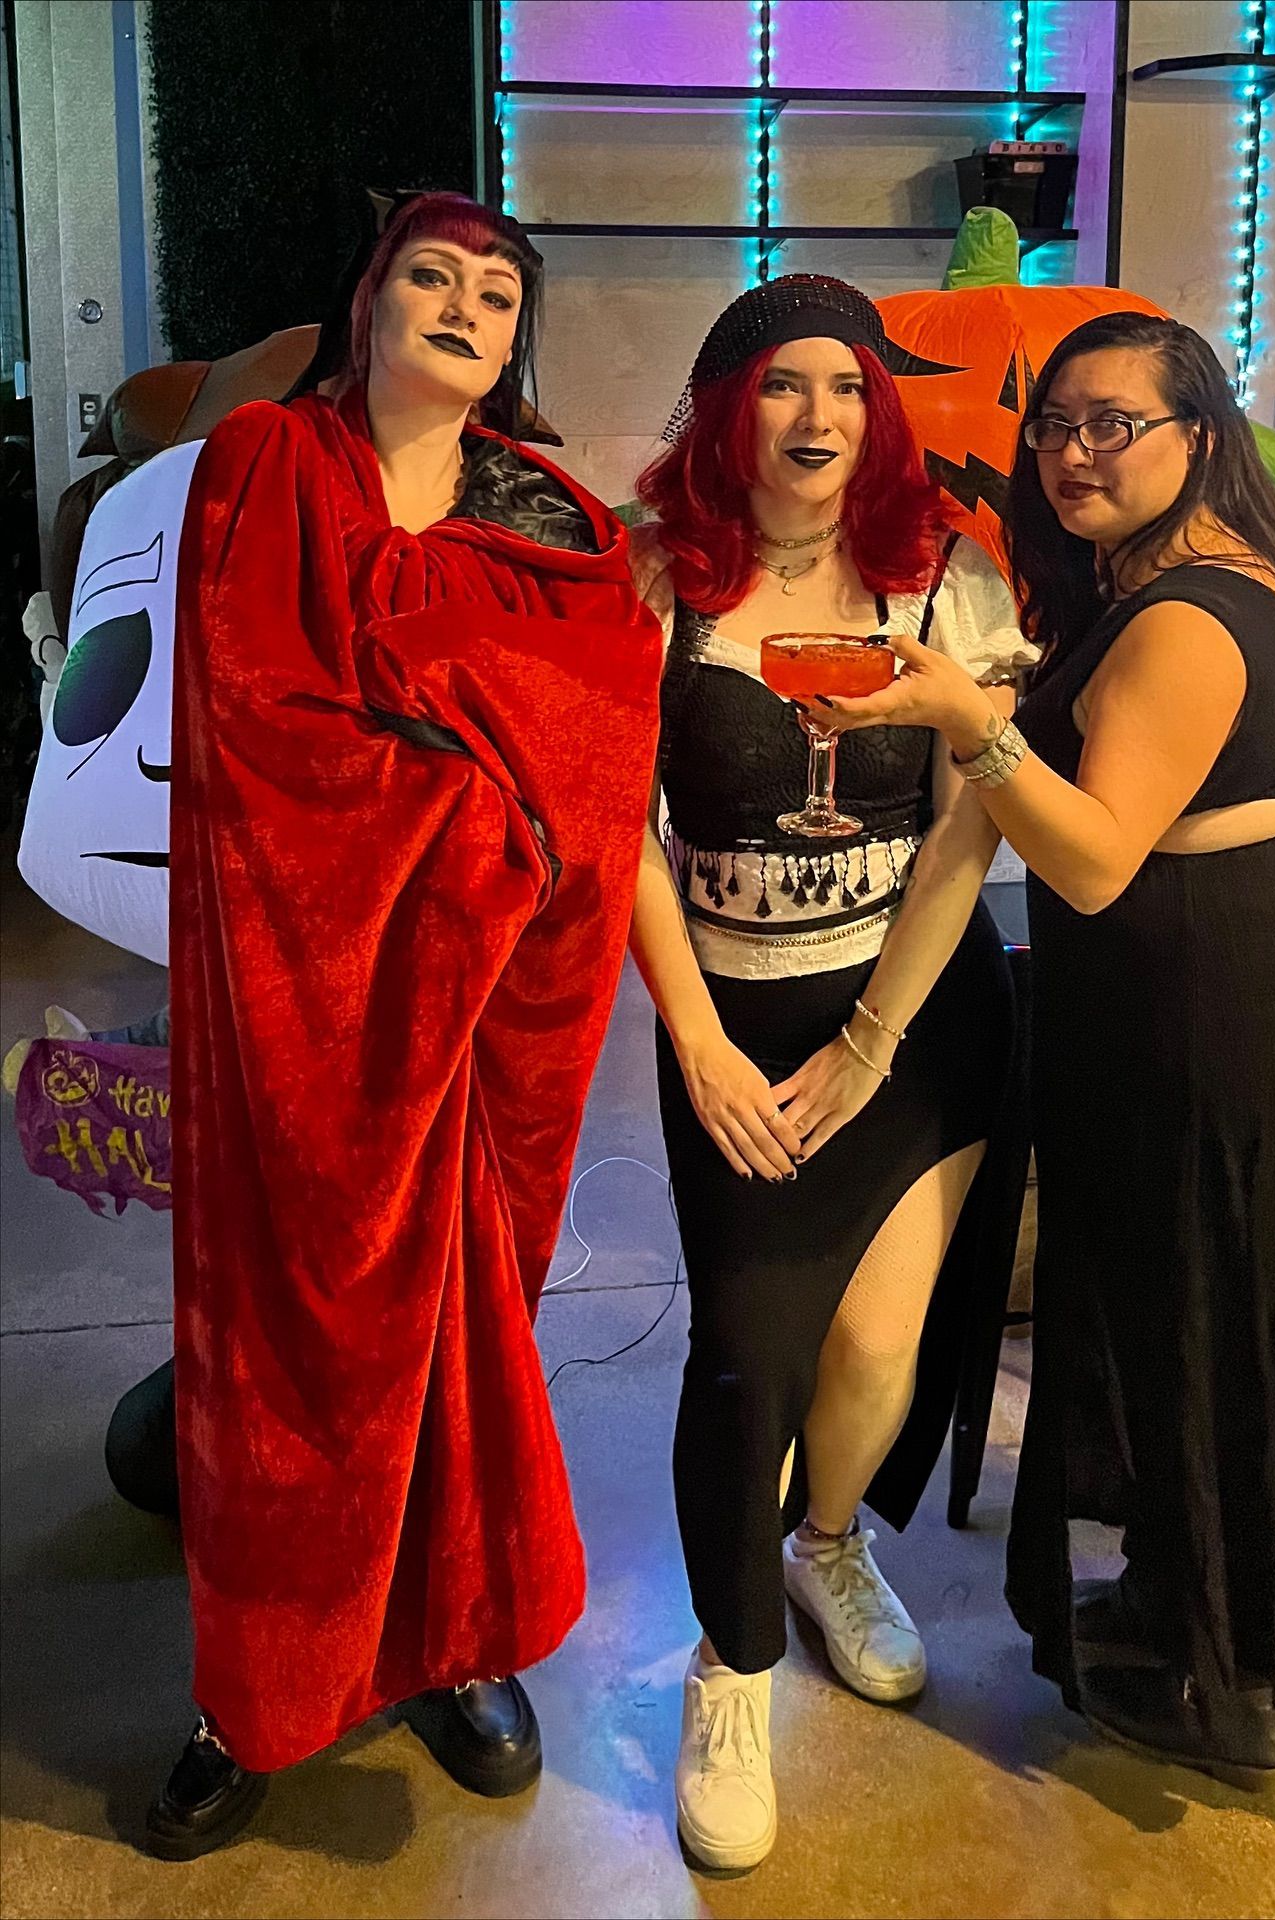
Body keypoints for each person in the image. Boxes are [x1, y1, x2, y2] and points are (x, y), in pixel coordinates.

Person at [823, 310, 1275, 1791]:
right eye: (1056, 425)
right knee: (1231, 1305)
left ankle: (1226, 1678)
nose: (1072, 451)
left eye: (1115, 423)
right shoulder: (1225, 570)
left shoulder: (1180, 616)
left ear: (1199, 433)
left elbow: (1092, 861)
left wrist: (974, 721)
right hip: (1269, 974)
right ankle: (1210, 1613)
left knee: (1211, 1308)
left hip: (1229, 1008)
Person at [148, 192, 662, 1858]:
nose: (463, 304)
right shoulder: (265, 474)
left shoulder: (559, 524)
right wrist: (472, 823)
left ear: (518, 341)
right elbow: (260, 723)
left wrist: (507, 827)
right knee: (290, 1342)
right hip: (307, 995)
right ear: (368, 304)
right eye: (431, 276)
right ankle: (257, 1690)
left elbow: (597, 743)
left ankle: (449, 1644)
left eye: (497, 290)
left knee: (467, 1332)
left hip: (495, 1008)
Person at [627, 275, 1036, 1872]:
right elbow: (618, 830)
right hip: (735, 1023)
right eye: (784, 386)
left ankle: (828, 1547)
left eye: (850, 389)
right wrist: (701, 1041)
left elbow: (971, 817)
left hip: (918, 1015)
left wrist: (872, 1044)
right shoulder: (651, 577)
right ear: (729, 406)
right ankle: (729, 1671)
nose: (818, 419)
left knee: (874, 1350)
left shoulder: (942, 578)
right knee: (743, 1358)